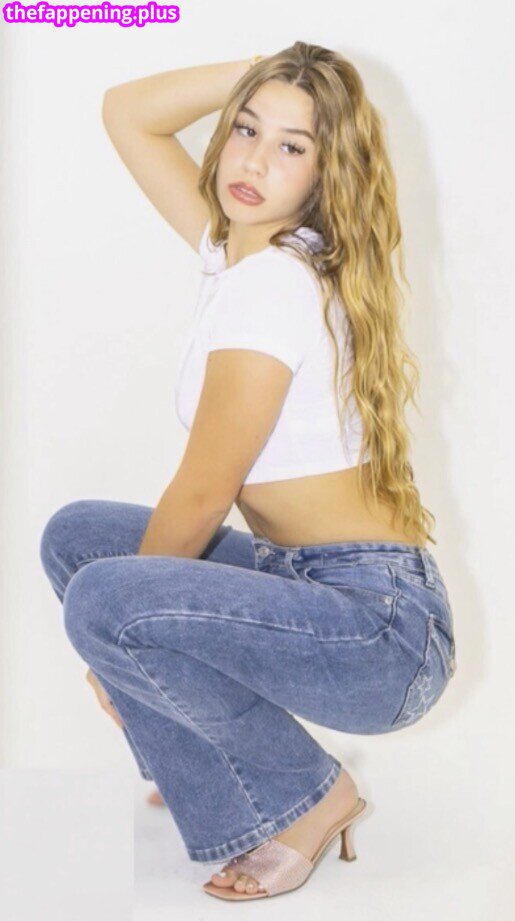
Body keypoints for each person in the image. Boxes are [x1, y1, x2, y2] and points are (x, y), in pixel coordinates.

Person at [39, 42, 457, 902]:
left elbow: (203, 493)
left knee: (106, 596)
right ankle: (206, 764)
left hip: (377, 632)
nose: (254, 161)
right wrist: (277, 68)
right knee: (79, 538)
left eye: (292, 146)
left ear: (326, 170)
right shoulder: (233, 250)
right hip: (306, 584)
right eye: (244, 129)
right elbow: (127, 111)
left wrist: (111, 646)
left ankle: (305, 796)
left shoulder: (273, 285)